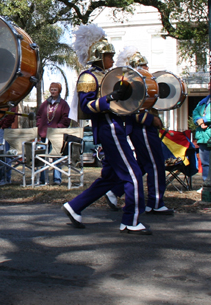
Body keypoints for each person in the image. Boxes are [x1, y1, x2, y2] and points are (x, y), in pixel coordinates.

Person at [62, 25, 150, 234]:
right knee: (133, 174)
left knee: (111, 178)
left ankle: (74, 206)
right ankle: (130, 220)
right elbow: (87, 106)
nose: (112, 59)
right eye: (108, 55)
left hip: (116, 126)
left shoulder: (107, 75)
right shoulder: (88, 77)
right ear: (98, 57)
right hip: (108, 128)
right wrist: (110, 98)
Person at [117, 47, 173, 214]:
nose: (147, 68)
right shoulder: (133, 84)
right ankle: (155, 202)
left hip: (144, 128)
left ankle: (114, 192)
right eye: (143, 65)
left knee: (143, 165)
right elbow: (131, 109)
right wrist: (151, 120)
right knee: (155, 165)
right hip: (142, 128)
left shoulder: (140, 83)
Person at [36, 82, 71, 184]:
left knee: (56, 156)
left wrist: (58, 127)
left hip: (56, 135)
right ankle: (43, 179)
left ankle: (57, 179)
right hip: (44, 134)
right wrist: (39, 126)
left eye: (55, 89)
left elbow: (66, 118)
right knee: (42, 157)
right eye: (51, 89)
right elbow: (38, 116)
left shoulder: (63, 104)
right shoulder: (45, 104)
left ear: (59, 91)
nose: (53, 91)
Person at [192, 86, 211, 192]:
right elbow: (195, 113)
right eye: (208, 84)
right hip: (202, 137)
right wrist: (198, 120)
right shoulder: (203, 101)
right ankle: (206, 184)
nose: (209, 86)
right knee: (205, 162)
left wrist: (203, 120)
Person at [0, 105, 19, 185]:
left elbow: (11, 113)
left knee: (5, 155)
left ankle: (6, 178)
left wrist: (3, 126)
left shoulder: (9, 97)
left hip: (3, 129)